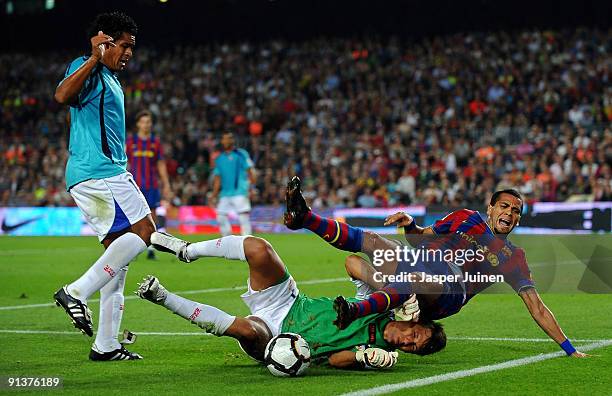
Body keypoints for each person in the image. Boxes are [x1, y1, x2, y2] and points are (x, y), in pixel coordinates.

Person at [283, 176, 589, 358]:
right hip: (421, 261)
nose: (510, 212)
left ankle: (359, 310)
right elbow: (420, 240)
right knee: (373, 243)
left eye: (516, 211)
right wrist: (411, 225)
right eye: (505, 206)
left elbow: (536, 306)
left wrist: (569, 348)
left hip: (448, 291)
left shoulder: (513, 257)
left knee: (415, 279)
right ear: (491, 208)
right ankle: (304, 218)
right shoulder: (464, 217)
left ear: (519, 219)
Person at [141, 232, 446, 368]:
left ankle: (163, 297)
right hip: (289, 301)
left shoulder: (381, 351)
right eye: (415, 335)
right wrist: (392, 293)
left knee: (246, 330)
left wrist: (364, 358)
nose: (407, 342)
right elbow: (353, 262)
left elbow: (337, 360)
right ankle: (187, 251)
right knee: (259, 248)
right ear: (415, 321)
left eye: (412, 348)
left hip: (282, 340)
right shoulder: (377, 308)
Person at [52, 11, 156, 361]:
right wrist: (94, 57)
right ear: (105, 41)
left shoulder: (110, 77)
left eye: (132, 48)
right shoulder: (87, 65)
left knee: (118, 260)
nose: (129, 53)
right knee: (144, 230)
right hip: (101, 171)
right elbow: (62, 95)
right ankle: (75, 292)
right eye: (124, 45)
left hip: (102, 172)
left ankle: (106, 344)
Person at [126, 110, 172, 259]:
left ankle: (151, 249)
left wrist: (166, 184)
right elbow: (124, 162)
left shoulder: (155, 142)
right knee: (133, 217)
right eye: (143, 122)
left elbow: (160, 164)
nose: (146, 124)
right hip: (134, 185)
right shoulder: (130, 142)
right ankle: (134, 249)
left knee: (151, 217)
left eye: (148, 122)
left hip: (151, 185)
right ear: (138, 124)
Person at [210, 132, 255, 236]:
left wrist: (251, 188)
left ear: (232, 140)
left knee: (243, 218)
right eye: (224, 139)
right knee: (220, 216)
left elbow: (250, 171)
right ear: (222, 141)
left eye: (228, 138)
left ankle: (247, 242)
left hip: (240, 191)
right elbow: (217, 179)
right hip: (225, 193)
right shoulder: (219, 159)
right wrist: (214, 195)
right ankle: (228, 241)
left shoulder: (241, 154)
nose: (226, 141)